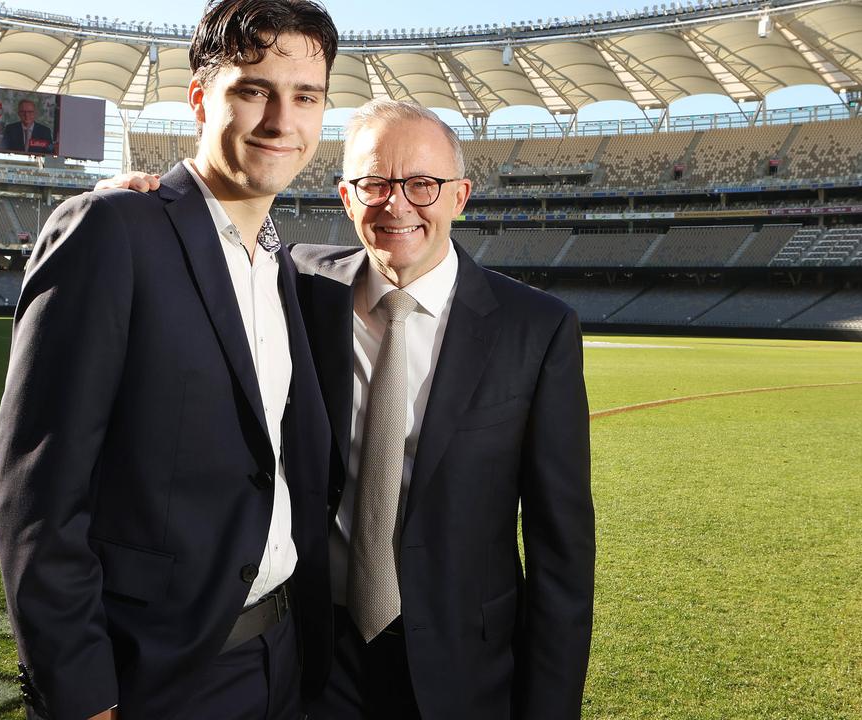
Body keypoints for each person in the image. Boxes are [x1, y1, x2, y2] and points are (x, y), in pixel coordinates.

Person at [102, 99, 595, 720]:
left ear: (460, 195)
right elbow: (205, 253)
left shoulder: (537, 328)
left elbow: (562, 549)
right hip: (314, 654)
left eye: (423, 184)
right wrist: (135, 208)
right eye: (375, 183)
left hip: (464, 666)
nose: (397, 203)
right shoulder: (298, 283)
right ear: (346, 195)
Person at [0, 1, 338, 719]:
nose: (282, 119)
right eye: (253, 90)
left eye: (305, 96)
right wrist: (82, 695)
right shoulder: (114, 230)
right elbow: (40, 498)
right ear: (200, 99)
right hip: (159, 674)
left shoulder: (285, 267)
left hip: (283, 658)